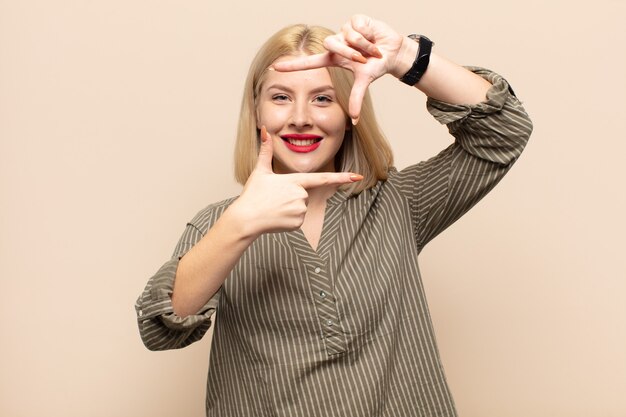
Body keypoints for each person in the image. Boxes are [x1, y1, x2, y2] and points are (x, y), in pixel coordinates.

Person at [135, 14, 532, 417]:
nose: (301, 116)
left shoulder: (399, 202)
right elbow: (160, 329)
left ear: (348, 111)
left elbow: (505, 130)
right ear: (256, 112)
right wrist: (240, 224)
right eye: (280, 97)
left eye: (323, 98)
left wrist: (406, 58)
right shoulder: (219, 224)